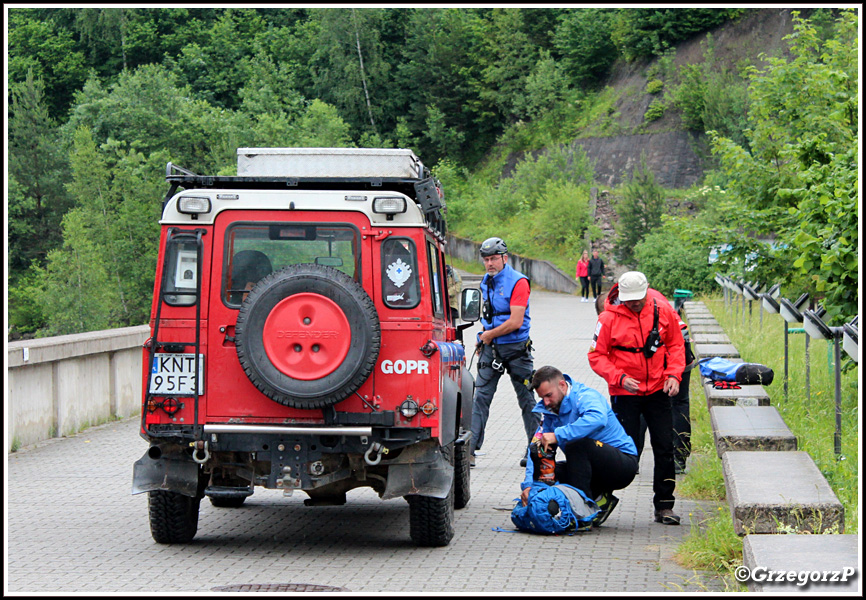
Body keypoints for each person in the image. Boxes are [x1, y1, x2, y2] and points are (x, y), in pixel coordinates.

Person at [588, 271, 686, 525]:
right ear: (620, 294)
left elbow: (676, 344)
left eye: (639, 299)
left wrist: (674, 375)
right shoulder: (607, 318)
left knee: (665, 447)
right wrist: (619, 378)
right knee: (622, 451)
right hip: (625, 393)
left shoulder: (662, 310)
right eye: (629, 299)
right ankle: (600, 499)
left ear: (647, 291)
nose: (634, 303)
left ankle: (665, 505)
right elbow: (596, 356)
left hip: (658, 390)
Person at [520, 366, 638, 527]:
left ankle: (582, 514)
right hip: (591, 470)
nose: (546, 403)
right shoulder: (549, 413)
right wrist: (529, 485)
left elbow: (598, 418)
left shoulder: (585, 396)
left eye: (549, 396)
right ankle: (600, 500)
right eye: (542, 398)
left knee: (576, 444)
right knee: (547, 471)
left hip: (622, 465)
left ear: (562, 385)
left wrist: (558, 435)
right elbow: (536, 449)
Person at [597, 284, 696, 475]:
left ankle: (670, 457)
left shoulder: (654, 308)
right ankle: (640, 459)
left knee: (675, 401)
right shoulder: (616, 311)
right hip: (667, 343)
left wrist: (672, 375)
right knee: (651, 402)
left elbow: (672, 344)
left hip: (672, 345)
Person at [471, 236, 541, 468]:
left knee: (527, 399)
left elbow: (515, 321)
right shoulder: (486, 281)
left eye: (494, 259)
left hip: (516, 350)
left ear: (505, 258)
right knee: (480, 397)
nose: (490, 263)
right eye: (486, 260)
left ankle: (535, 450)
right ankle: (469, 450)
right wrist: (484, 334)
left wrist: (489, 335)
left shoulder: (518, 282)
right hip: (491, 349)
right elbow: (489, 313)